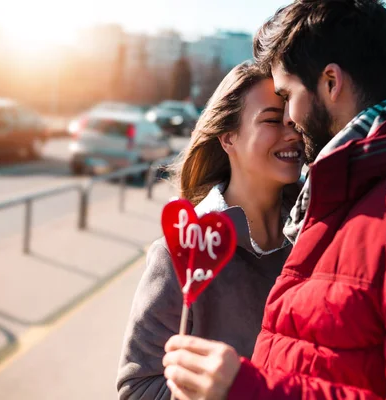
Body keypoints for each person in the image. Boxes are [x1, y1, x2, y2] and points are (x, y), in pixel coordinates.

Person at [162, 1, 386, 399]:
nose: (288, 120)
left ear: (331, 83)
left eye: (288, 95)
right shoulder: (352, 192)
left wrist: (247, 390)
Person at [116, 62, 304, 399]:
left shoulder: (316, 236)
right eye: (273, 120)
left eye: (293, 120)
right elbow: (137, 388)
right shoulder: (184, 250)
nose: (292, 133)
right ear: (228, 137)